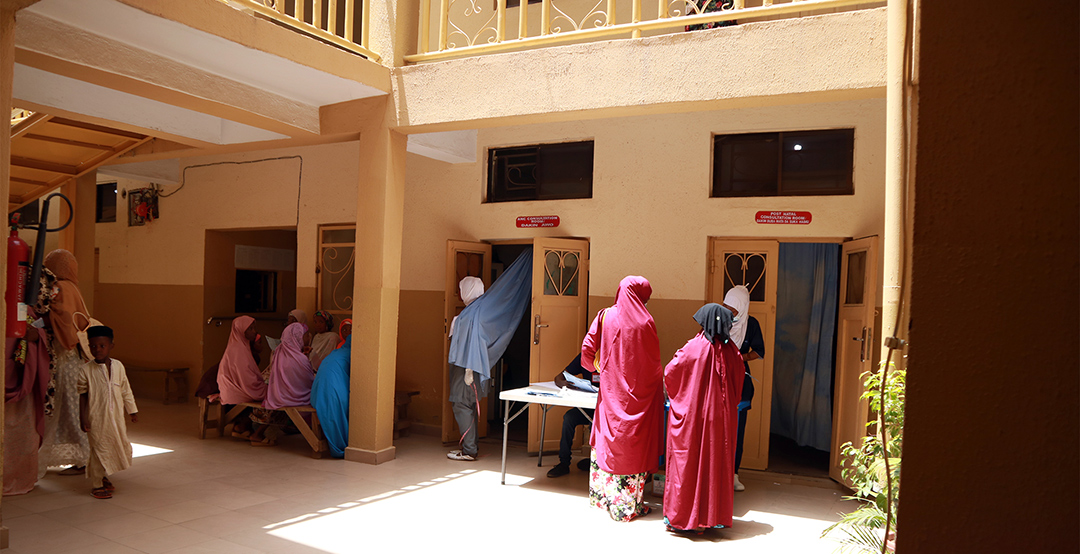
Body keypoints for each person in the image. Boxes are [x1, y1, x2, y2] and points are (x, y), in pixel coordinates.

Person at [581, 276, 664, 522]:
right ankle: (629, 506)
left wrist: (600, 368)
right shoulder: (646, 322)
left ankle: (607, 501)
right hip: (638, 399)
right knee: (634, 445)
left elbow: (586, 353)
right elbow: (653, 367)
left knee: (609, 439)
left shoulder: (605, 316)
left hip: (610, 395)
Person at [663, 304, 745, 533]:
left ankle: (685, 518)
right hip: (721, 421)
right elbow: (738, 386)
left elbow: (670, 372)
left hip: (692, 420)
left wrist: (682, 399)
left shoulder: (693, 348)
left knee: (688, 464)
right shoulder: (733, 352)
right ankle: (711, 518)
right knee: (714, 464)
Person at [38, 249, 91, 477]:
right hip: (75, 358)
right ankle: (83, 458)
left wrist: (36, 323)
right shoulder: (74, 287)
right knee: (70, 409)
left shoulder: (58, 286)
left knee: (68, 409)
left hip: (64, 357)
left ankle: (83, 459)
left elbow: (59, 315)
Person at [77, 326, 138, 500]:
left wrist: (132, 410)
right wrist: (83, 418)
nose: (97, 350)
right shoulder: (86, 370)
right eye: (93, 346)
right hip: (95, 418)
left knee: (111, 446)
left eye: (102, 346)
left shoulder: (118, 367)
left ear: (111, 345)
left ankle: (102, 476)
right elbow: (82, 397)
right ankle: (96, 485)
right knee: (98, 450)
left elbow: (126, 390)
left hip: (116, 418)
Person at [723, 285, 765, 492]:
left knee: (737, 430)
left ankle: (733, 474)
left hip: (740, 380)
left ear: (742, 307)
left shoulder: (752, 324)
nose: (728, 312)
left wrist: (740, 357)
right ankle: (716, 471)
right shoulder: (717, 320)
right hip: (718, 378)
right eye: (725, 307)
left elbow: (759, 351)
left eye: (733, 309)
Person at [4, 309, 51, 495]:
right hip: (9, 364)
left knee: (24, 429)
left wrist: (34, 333)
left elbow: (41, 323)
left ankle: (20, 477)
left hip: (23, 376)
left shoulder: (23, 305)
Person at [446, 276, 485, 461]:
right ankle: (472, 446)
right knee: (469, 403)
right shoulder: (482, 312)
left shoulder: (465, 317)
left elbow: (460, 345)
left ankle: (469, 450)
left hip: (465, 366)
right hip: (476, 366)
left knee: (461, 403)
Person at [546, 354, 597, 478]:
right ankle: (564, 463)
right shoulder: (585, 355)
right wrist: (564, 384)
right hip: (588, 405)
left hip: (605, 409)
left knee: (594, 424)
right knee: (569, 418)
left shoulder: (612, 355)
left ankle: (596, 463)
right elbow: (559, 377)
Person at [311, 333, 351, 458]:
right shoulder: (352, 354)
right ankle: (340, 443)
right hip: (333, 393)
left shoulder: (335, 352)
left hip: (315, 394)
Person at [264, 321, 315, 409]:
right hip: (297, 400)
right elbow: (308, 382)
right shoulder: (300, 359)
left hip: (278, 398)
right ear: (298, 338)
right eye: (306, 335)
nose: (308, 338)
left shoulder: (279, 353)